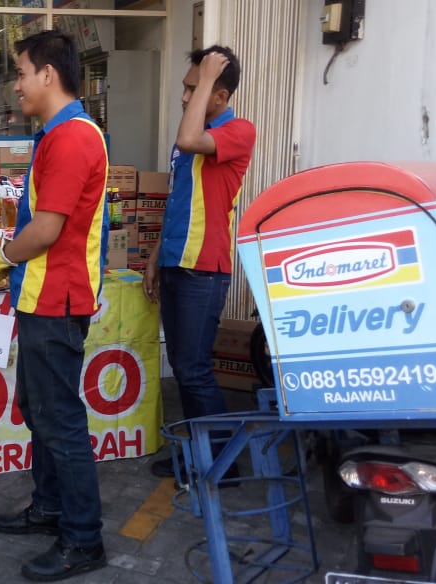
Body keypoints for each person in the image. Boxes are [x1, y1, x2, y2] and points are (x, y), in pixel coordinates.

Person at [0, 30, 109, 582]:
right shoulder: (56, 134)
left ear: (48, 74)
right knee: (39, 411)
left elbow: (47, 229)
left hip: (57, 299)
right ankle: (50, 507)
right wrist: (4, 268)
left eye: (19, 73)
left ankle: (83, 539)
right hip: (40, 296)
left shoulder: (72, 137)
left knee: (60, 421)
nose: (15, 86)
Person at [143, 46, 256, 478]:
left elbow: (188, 139)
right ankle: (199, 456)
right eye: (186, 88)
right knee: (185, 369)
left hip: (203, 270)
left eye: (194, 89)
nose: (185, 97)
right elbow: (177, 202)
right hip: (177, 263)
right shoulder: (190, 140)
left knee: (194, 372)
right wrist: (156, 257)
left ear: (220, 96)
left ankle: (221, 466)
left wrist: (208, 76)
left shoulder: (238, 131)